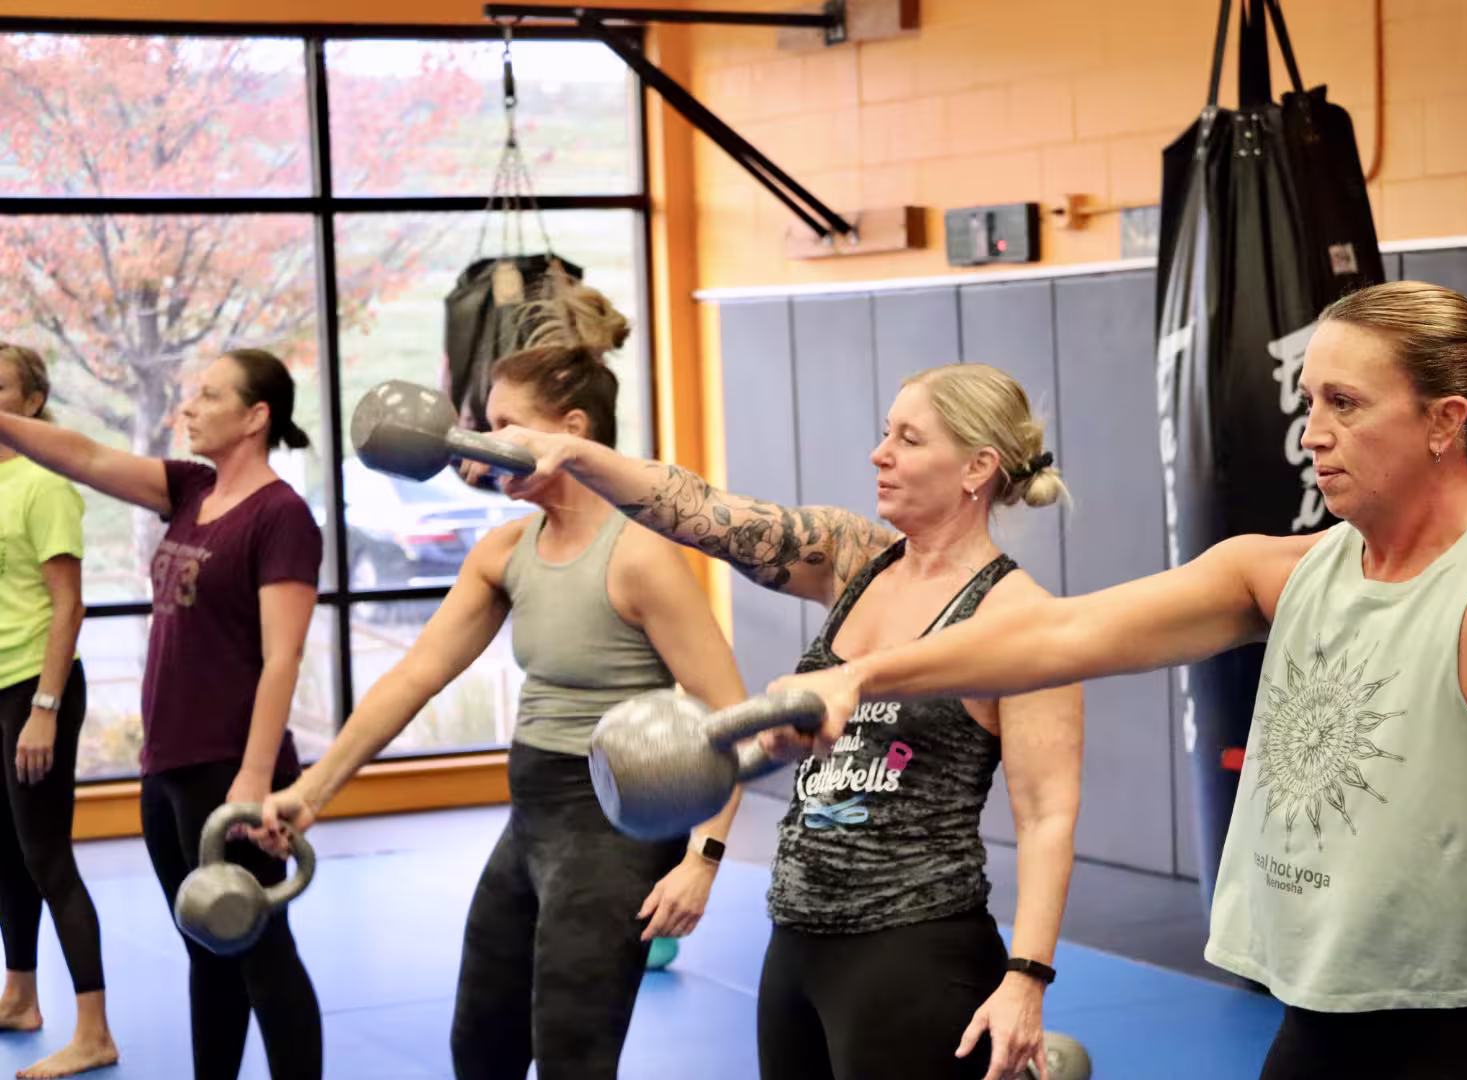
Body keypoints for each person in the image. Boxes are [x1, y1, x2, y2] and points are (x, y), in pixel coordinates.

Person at [777, 281, 1467, 1080]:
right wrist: (862, 677)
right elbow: (1060, 634)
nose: (1313, 434)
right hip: (1321, 1020)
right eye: (1310, 401)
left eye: (1345, 404)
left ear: (1444, 420)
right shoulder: (1281, 572)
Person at [482, 350, 1085, 1080]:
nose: (880, 454)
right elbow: (702, 511)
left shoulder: (1021, 621)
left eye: (908, 439)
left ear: (977, 468)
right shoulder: (853, 557)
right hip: (795, 942)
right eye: (885, 432)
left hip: (917, 948)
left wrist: (1027, 978)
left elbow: (1047, 815)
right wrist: (575, 454)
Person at [254, 277, 751, 1080]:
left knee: (573, 1057)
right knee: (480, 1048)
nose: (481, 448)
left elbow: (731, 715)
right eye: (484, 426)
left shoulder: (639, 556)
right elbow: (414, 676)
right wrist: (312, 792)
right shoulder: (505, 551)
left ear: (572, 432)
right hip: (531, 816)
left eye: (504, 427)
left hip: (617, 824)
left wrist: (703, 858)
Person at [0, 347, 323, 1080]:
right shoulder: (190, 489)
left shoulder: (282, 517)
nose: (189, 407)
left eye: (209, 396)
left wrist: (253, 780)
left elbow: (283, 657)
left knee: (263, 951)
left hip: (230, 768)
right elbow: (84, 455)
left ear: (256, 416)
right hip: (169, 765)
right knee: (207, 944)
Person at [0, 345, 118, 1079]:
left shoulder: (44, 483)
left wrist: (43, 709)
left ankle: (94, 1032)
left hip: (33, 688)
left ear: (33, 402)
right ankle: (19, 998)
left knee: (47, 857)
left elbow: (69, 606)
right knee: (5, 851)